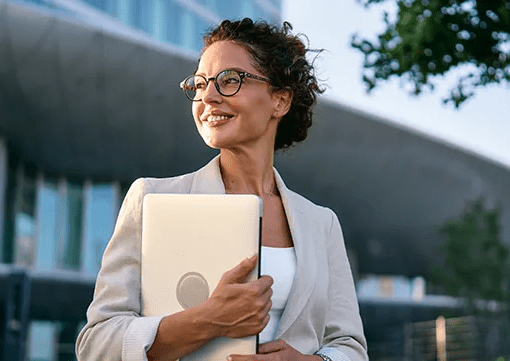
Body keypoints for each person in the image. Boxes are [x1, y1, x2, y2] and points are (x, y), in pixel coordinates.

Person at [76, 18, 368, 361]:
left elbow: (350, 347)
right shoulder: (152, 200)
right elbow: (96, 344)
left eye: (230, 80)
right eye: (199, 85)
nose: (208, 97)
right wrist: (209, 320)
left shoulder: (322, 224)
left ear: (280, 100)